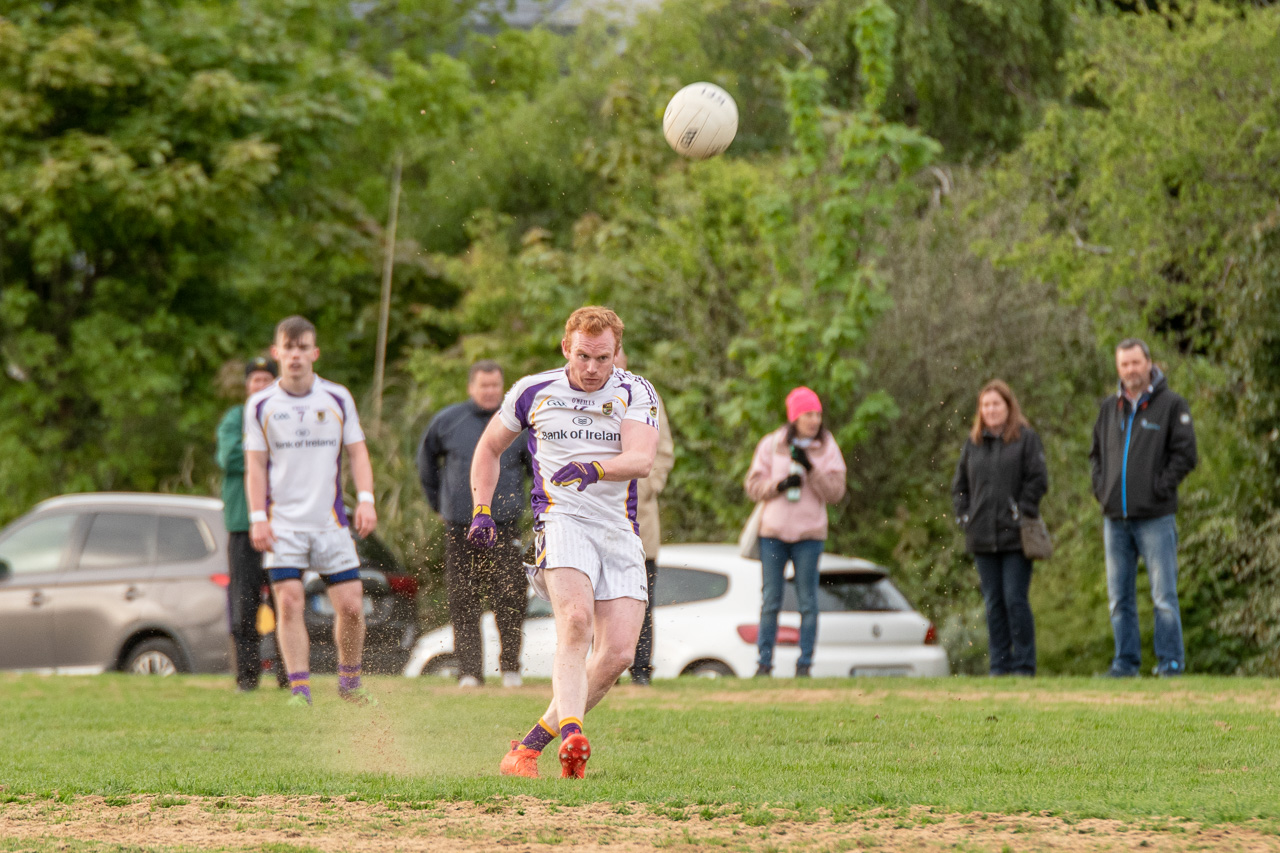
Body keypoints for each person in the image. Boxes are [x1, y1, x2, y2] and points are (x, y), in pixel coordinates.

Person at [469, 306, 659, 779]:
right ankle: (573, 735)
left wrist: (595, 468)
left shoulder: (635, 390)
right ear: (565, 348)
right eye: (583, 356)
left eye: (603, 357)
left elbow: (641, 459)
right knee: (575, 621)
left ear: (617, 352)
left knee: (617, 654)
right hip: (561, 520)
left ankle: (529, 747)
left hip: (618, 528)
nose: (593, 368)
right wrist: (482, 508)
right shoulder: (533, 390)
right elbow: (489, 448)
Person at [244, 316, 379, 706]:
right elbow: (254, 465)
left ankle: (350, 683)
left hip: (330, 523)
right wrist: (257, 517)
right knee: (288, 602)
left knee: (352, 606)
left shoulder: (337, 398)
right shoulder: (261, 405)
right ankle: (300, 690)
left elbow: (357, 452)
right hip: (283, 524)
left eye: (303, 348)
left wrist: (366, 499)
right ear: (277, 353)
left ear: (314, 353)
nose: (296, 355)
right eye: (289, 347)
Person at [417, 360, 532, 688]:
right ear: (471, 387)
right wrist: (438, 503)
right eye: (484, 385)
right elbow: (426, 462)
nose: (490, 391)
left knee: (510, 598)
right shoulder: (448, 420)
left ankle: (510, 667)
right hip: (460, 526)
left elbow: (535, 471)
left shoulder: (516, 425)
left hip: (505, 525)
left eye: (496, 385)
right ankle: (469, 671)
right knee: (463, 598)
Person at [1090, 338, 1198, 677]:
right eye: (1124, 365)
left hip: (1155, 517)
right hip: (1115, 519)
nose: (1130, 370)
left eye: (1136, 363)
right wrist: (1102, 490)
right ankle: (1125, 664)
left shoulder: (1172, 405)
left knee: (1163, 595)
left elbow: (1186, 456)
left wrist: (1158, 489)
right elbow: (1095, 455)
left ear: (1149, 363)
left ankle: (1170, 663)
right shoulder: (1110, 408)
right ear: (1118, 368)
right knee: (1119, 599)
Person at [743, 387, 847, 678]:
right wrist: (779, 486)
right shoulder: (772, 444)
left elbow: (836, 492)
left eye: (817, 413)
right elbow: (752, 486)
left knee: (807, 602)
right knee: (771, 600)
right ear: (794, 417)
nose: (814, 419)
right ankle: (764, 664)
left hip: (809, 536)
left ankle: (804, 665)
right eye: (807, 414)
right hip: (773, 533)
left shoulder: (827, 447)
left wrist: (810, 468)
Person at [950, 380, 1049, 677]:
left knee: (1015, 599)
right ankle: (999, 666)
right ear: (980, 410)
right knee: (993, 603)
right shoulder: (973, 443)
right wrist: (964, 517)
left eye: (996, 404)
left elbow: (1038, 479)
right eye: (986, 405)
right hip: (981, 537)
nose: (991, 410)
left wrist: (1022, 511)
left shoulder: (1026, 439)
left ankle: (1024, 665)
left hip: (1016, 537)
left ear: (1009, 406)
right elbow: (960, 487)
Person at [217, 354, 278, 691]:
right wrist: (263, 451)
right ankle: (247, 677)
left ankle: (290, 676)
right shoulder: (234, 418)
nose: (260, 384)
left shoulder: (283, 415)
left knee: (286, 599)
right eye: (255, 380)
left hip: (281, 524)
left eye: (266, 379)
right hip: (244, 524)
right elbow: (229, 457)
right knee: (244, 602)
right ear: (247, 386)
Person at [613, 345, 674, 687]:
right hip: (597, 516)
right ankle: (602, 671)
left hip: (640, 520)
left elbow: (664, 451)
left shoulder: (646, 395)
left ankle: (640, 670)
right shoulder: (581, 396)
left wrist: (646, 489)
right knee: (597, 602)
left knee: (641, 599)